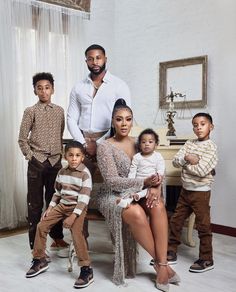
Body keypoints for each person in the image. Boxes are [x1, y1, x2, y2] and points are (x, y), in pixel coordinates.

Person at [96, 99, 180, 291]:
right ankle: (161, 264)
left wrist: (156, 188)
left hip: (138, 191)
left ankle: (162, 266)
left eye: (128, 119)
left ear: (132, 121)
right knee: (136, 213)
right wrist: (144, 183)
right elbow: (111, 181)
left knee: (157, 204)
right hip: (112, 195)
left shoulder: (139, 143)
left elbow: (157, 169)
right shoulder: (104, 147)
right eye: (119, 119)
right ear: (112, 122)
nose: (124, 123)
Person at [67, 44, 131, 239]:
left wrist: (100, 143)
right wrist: (83, 143)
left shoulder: (119, 85)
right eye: (90, 58)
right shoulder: (79, 87)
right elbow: (71, 117)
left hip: (109, 143)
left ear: (105, 59)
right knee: (77, 188)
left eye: (98, 58)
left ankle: (117, 237)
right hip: (82, 143)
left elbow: (123, 116)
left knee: (116, 187)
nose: (94, 62)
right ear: (86, 61)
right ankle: (80, 236)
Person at [25, 141, 94, 289]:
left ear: (82, 157)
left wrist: (73, 216)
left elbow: (83, 200)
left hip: (78, 208)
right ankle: (39, 259)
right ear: (65, 156)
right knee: (41, 226)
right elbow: (57, 193)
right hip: (62, 205)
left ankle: (86, 269)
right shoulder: (62, 172)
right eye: (70, 155)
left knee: (76, 233)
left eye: (77, 155)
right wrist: (50, 208)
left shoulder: (85, 174)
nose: (74, 159)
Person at [18, 72, 68, 253]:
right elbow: (22, 139)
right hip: (37, 163)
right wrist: (30, 156)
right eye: (40, 88)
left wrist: (60, 154)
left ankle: (57, 238)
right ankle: (36, 247)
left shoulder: (60, 111)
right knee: (35, 204)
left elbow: (60, 135)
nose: (44, 91)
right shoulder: (30, 111)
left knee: (55, 202)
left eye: (47, 87)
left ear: (52, 89)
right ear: (35, 91)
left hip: (55, 162)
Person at [167, 112, 218, 273]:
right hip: (185, 191)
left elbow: (202, 170)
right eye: (195, 125)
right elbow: (176, 161)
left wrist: (185, 163)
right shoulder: (189, 143)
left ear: (211, 127)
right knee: (176, 221)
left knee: (203, 225)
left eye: (202, 124)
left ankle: (206, 258)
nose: (198, 127)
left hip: (201, 193)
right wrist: (189, 159)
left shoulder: (211, 147)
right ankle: (171, 250)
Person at [116, 128, 165, 209]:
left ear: (156, 144)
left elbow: (160, 168)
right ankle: (126, 202)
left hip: (151, 182)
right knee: (130, 192)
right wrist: (131, 182)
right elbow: (133, 170)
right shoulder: (137, 157)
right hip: (139, 182)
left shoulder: (158, 156)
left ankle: (138, 196)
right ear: (139, 145)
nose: (147, 144)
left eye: (150, 142)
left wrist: (158, 176)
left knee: (149, 190)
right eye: (143, 142)